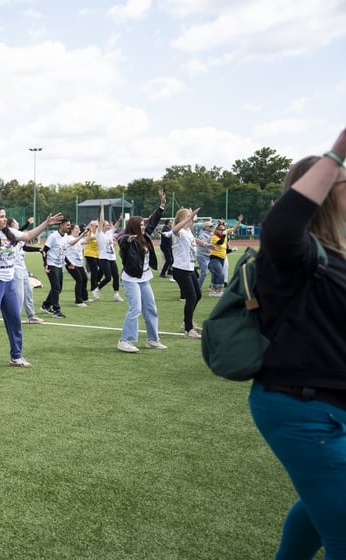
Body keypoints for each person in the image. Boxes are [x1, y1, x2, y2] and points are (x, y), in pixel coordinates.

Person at [248, 132, 346, 559]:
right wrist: (338, 151)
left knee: (316, 507)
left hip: (332, 405)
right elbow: (282, 225)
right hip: (304, 409)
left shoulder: (337, 255)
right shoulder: (296, 255)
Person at [0, 207, 63, 371]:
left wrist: (46, 223)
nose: (4, 219)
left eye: (5, 216)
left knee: (14, 319)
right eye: (1, 216)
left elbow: (29, 235)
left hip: (8, 282)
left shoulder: (9, 232)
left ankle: (16, 356)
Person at [116, 189, 167, 353]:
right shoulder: (128, 240)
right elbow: (121, 240)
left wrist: (162, 205)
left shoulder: (145, 236)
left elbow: (153, 221)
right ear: (134, 228)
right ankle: (125, 340)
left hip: (144, 278)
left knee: (150, 308)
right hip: (131, 279)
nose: (144, 226)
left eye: (144, 224)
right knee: (135, 309)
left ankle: (153, 339)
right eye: (141, 225)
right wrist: (127, 238)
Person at [169, 207, 215, 339]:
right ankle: (188, 329)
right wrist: (189, 217)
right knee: (191, 297)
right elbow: (174, 229)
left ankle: (186, 322)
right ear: (182, 218)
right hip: (181, 269)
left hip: (189, 268)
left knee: (198, 295)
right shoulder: (178, 232)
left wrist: (206, 245)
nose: (191, 217)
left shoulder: (188, 231)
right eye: (188, 215)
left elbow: (194, 240)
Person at [8, 217, 44, 324]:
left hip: (22, 268)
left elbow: (24, 248)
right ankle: (15, 318)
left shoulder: (19, 236)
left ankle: (31, 316)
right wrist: (27, 223)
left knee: (28, 292)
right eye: (16, 221)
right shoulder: (10, 235)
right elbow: (20, 231)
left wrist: (38, 249)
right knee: (19, 295)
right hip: (15, 269)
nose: (17, 223)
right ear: (11, 225)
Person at [40, 219, 71, 319]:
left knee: (58, 288)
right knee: (56, 287)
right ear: (61, 225)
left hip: (59, 265)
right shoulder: (53, 236)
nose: (69, 227)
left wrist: (68, 263)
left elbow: (62, 252)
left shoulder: (65, 237)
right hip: (51, 264)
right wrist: (45, 264)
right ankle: (56, 310)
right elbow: (44, 251)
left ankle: (46, 305)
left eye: (69, 225)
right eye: (67, 225)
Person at [95, 201, 124, 302]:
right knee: (108, 277)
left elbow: (115, 226)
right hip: (103, 258)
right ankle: (97, 289)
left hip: (112, 258)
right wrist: (102, 208)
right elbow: (102, 220)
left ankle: (116, 294)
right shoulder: (99, 234)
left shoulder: (109, 233)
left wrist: (120, 220)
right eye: (106, 225)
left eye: (108, 225)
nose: (108, 226)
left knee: (116, 276)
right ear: (102, 226)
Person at [208, 215, 242, 297]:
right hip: (215, 257)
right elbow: (220, 242)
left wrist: (239, 221)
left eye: (224, 229)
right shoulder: (214, 237)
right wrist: (223, 235)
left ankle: (213, 291)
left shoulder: (224, 234)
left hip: (222, 257)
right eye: (221, 229)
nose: (223, 230)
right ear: (217, 230)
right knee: (221, 273)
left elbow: (234, 229)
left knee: (216, 274)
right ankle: (219, 290)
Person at [65, 223, 91, 308]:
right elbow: (72, 243)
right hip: (71, 264)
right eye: (76, 228)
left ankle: (84, 297)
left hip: (79, 264)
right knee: (79, 280)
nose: (78, 229)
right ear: (72, 230)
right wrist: (81, 236)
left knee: (84, 279)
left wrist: (89, 231)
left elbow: (87, 241)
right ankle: (78, 301)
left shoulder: (78, 239)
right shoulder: (68, 238)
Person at [84, 220, 101, 299]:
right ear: (92, 226)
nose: (97, 227)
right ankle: (93, 287)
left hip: (96, 254)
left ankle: (96, 283)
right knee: (94, 270)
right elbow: (90, 238)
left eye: (98, 226)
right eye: (96, 226)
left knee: (102, 269)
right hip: (89, 254)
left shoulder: (97, 233)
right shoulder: (89, 233)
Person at [195, 220, 214, 288]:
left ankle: (212, 286)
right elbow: (203, 244)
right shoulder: (202, 235)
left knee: (214, 271)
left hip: (209, 256)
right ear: (205, 227)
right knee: (204, 273)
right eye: (210, 226)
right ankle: (197, 287)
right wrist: (210, 237)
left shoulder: (210, 234)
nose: (212, 227)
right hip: (202, 255)